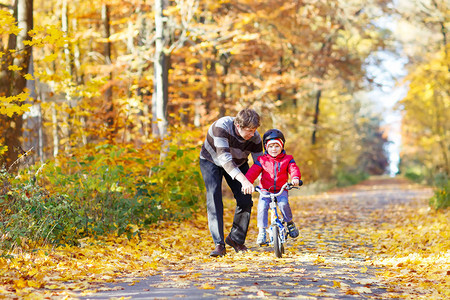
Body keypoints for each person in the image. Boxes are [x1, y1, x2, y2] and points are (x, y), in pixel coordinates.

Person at [199, 108, 263, 257]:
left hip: (239, 162)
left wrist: (265, 180)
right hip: (211, 160)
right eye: (249, 131)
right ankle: (219, 245)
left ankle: (236, 239)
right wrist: (244, 180)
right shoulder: (221, 127)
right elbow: (225, 160)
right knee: (214, 197)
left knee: (246, 199)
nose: (253, 134)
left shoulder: (255, 136)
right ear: (238, 126)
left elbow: (261, 161)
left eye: (255, 130)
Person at [244, 128, 301, 246]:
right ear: (266, 147)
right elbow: (253, 172)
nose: (273, 149)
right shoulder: (262, 160)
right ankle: (262, 232)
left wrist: (295, 178)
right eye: (270, 146)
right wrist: (247, 182)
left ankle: (289, 222)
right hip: (265, 190)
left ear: (282, 146)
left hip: (281, 189)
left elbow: (293, 169)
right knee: (262, 207)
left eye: (276, 146)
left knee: (283, 204)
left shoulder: (288, 159)